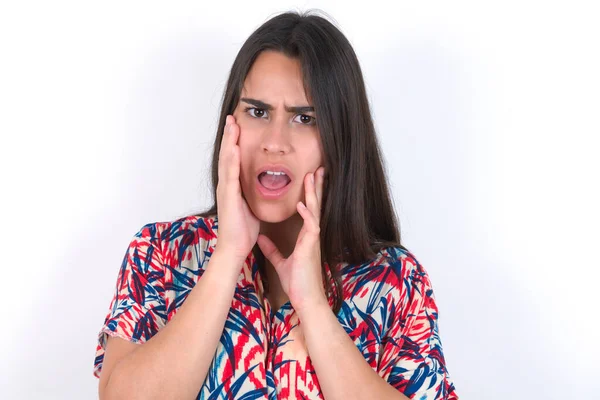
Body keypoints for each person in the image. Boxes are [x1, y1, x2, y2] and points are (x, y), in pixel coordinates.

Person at [93, 9, 459, 400]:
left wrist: (313, 306)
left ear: (340, 140)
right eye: (257, 111)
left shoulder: (394, 282)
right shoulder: (161, 254)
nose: (274, 141)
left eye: (304, 118)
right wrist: (227, 256)